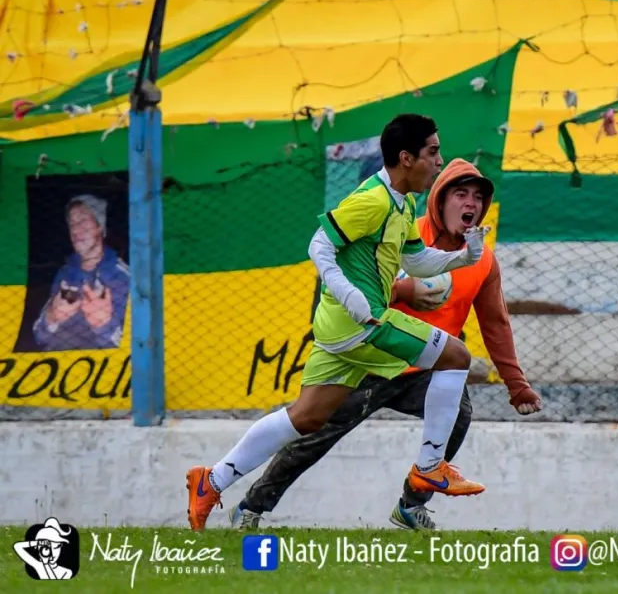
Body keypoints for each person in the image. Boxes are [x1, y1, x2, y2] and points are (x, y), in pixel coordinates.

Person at [185, 114, 490, 531]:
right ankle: (430, 468)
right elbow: (320, 245)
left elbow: (415, 260)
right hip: (361, 324)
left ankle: (211, 480)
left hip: (338, 328)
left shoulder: (404, 201)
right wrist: (350, 294)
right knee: (456, 356)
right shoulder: (372, 200)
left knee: (306, 417)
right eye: (433, 152)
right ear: (406, 158)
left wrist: (462, 258)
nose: (439, 162)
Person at [229, 158, 542, 531]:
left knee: (457, 413)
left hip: (423, 370)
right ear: (439, 200)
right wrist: (403, 289)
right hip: (371, 358)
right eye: (460, 193)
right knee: (312, 431)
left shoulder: (482, 261)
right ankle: (250, 508)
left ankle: (412, 504)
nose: (470, 203)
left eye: (478, 196)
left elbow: (496, 324)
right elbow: (352, 289)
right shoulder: (399, 233)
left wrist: (516, 383)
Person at [32, 194, 130, 352]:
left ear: (100, 226)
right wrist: (52, 317)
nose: (76, 230)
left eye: (83, 220)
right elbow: (38, 335)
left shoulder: (123, 277)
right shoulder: (65, 273)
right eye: (71, 224)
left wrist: (103, 324)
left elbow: (136, 345)